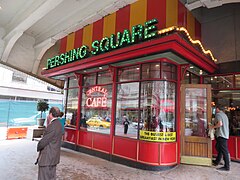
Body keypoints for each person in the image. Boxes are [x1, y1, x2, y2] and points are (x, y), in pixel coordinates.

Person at [36, 107, 63, 180]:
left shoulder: (52, 126)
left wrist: (38, 146)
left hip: (47, 158)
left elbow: (44, 142)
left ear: (50, 114)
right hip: (53, 158)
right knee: (51, 177)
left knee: (44, 177)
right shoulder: (59, 124)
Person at [210, 105, 230, 171]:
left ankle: (227, 167)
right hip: (225, 135)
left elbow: (220, 124)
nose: (215, 110)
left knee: (224, 151)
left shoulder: (218, 115)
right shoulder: (224, 115)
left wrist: (212, 127)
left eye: (216, 109)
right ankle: (217, 161)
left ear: (218, 109)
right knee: (220, 149)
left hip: (221, 135)